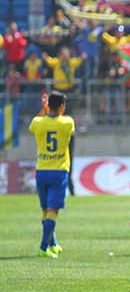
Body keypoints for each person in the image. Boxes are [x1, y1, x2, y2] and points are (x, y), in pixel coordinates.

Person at [29, 91, 74, 258]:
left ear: (48, 106)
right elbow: (68, 130)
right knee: (53, 211)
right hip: (59, 171)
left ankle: (53, 244)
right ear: (61, 106)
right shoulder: (67, 122)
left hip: (41, 170)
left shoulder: (37, 122)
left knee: (45, 211)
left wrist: (44, 110)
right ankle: (43, 247)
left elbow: (35, 126)